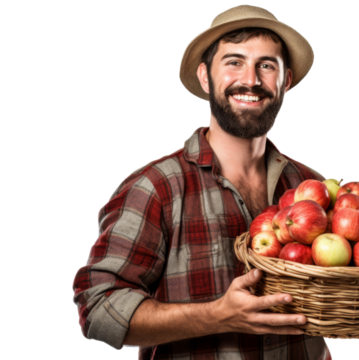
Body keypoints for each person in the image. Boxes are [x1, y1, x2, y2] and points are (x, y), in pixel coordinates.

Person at [72, 4, 333, 360]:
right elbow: (99, 310)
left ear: (285, 80)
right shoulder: (156, 187)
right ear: (206, 77)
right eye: (234, 62)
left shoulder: (312, 188)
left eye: (266, 65)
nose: (252, 80)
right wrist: (216, 316)